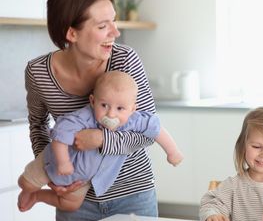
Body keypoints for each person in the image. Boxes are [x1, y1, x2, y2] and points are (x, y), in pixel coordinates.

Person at [25, 0, 164, 221]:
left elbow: (148, 131)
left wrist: (100, 139)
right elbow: (37, 125)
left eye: (114, 21)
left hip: (133, 196)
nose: (115, 32)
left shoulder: (125, 60)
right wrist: (52, 170)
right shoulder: (38, 73)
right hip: (76, 204)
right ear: (72, 34)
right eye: (103, 26)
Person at [18, 71, 183, 212]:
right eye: (104, 105)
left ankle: (38, 196)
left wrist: (172, 151)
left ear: (133, 109)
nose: (111, 114)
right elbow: (60, 135)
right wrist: (62, 162)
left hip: (81, 180)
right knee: (26, 182)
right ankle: (29, 190)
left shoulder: (133, 120)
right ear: (92, 101)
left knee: (70, 204)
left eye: (120, 108)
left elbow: (155, 128)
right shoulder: (83, 117)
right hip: (52, 161)